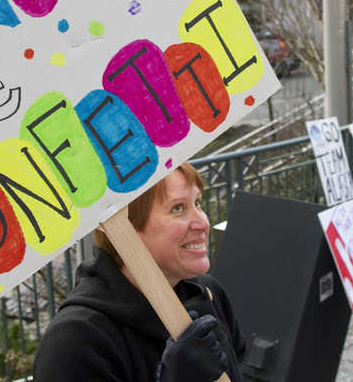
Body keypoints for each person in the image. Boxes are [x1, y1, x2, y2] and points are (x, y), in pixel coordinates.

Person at [33, 163, 244, 381]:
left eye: (198, 203)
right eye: (178, 208)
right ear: (127, 227)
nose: (203, 223)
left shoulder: (210, 292)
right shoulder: (74, 344)